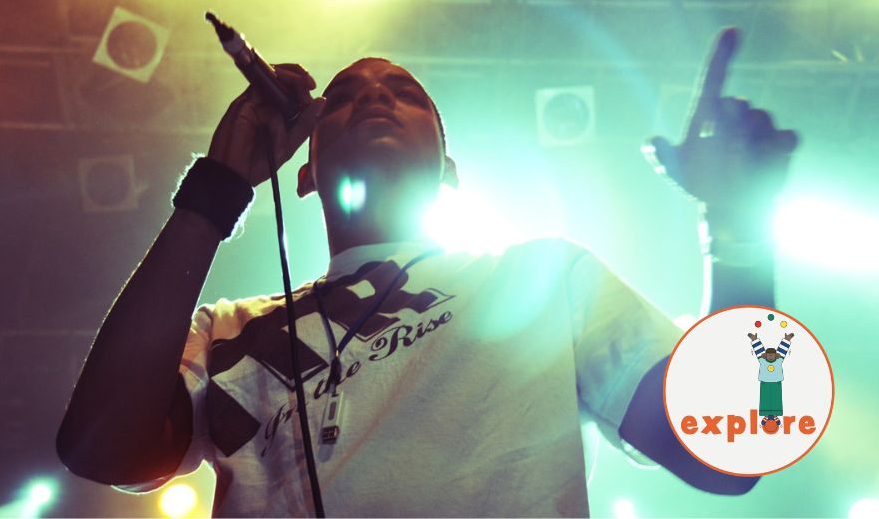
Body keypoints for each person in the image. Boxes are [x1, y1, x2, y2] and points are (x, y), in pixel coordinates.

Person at [56, 27, 798, 516]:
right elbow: (98, 448)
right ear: (305, 174)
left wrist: (738, 229)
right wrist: (216, 190)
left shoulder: (543, 277)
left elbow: (733, 448)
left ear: (449, 172)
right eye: (344, 98)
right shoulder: (230, 331)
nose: (377, 95)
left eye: (406, 94)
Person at [748, 332, 795, 426]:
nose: (770, 356)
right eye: (768, 355)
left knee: (776, 399)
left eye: (772, 355)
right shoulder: (762, 360)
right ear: (765, 355)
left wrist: (786, 340)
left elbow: (782, 350)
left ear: (775, 355)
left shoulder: (779, 360)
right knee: (765, 399)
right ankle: (766, 415)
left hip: (776, 383)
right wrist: (755, 340)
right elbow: (758, 350)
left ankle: (775, 415)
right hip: (765, 383)